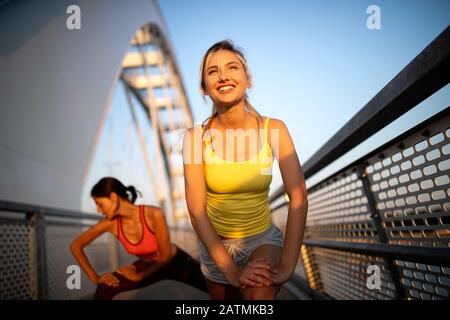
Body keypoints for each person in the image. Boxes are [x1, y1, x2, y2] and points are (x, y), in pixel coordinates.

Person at [182, 40, 308, 300]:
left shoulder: (274, 130)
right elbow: (196, 210)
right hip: (215, 247)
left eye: (232, 67)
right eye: (212, 71)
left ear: (247, 79)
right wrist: (230, 271)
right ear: (204, 88)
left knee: (258, 300)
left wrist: (287, 265)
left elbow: (298, 198)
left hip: (261, 241)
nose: (224, 76)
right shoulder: (194, 139)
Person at [70, 177, 207, 300]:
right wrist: (95, 278)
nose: (98, 211)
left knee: (217, 286)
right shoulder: (110, 223)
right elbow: (76, 246)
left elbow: (165, 258)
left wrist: (140, 276)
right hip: (148, 264)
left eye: (99, 204)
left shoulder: (154, 214)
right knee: (105, 288)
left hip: (176, 262)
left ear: (113, 197)